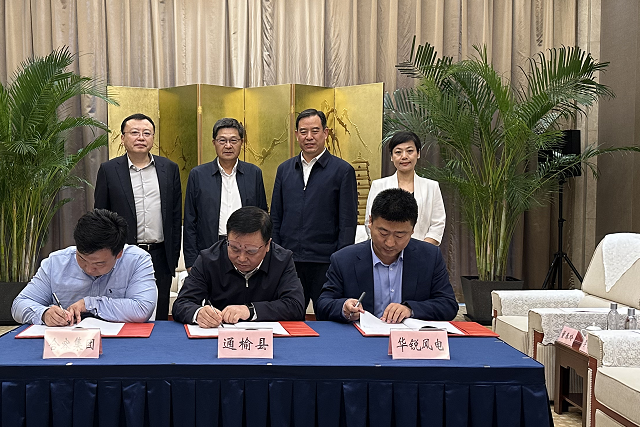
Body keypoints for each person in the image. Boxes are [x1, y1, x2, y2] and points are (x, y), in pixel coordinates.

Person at [316, 188, 458, 323]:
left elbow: (448, 305)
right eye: (383, 233)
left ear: (412, 230)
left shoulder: (429, 257)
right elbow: (323, 304)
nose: (390, 243)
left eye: (399, 235)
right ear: (370, 222)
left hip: (409, 337)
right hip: (361, 336)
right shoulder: (344, 259)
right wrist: (344, 307)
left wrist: (410, 309)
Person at [93, 113, 181, 320]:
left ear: (153, 138)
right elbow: (101, 216)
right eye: (134, 132)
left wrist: (173, 255)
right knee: (123, 312)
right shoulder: (109, 170)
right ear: (123, 138)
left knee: (159, 313)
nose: (141, 137)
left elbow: (176, 216)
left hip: (160, 254)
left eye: (146, 133)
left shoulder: (169, 168)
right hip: (122, 254)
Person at [270, 108, 358, 312]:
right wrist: (278, 255)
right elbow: (275, 216)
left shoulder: (342, 171)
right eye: (303, 131)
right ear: (296, 135)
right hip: (289, 261)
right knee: (288, 317)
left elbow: (347, 222)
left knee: (328, 317)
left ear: (325, 133)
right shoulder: (284, 169)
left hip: (326, 262)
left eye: (315, 131)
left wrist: (340, 260)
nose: (309, 137)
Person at [11, 209, 157, 324]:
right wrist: (44, 314)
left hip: (123, 343)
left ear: (118, 254)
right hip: (68, 345)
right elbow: (19, 304)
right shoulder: (56, 263)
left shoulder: (137, 260)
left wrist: (90, 304)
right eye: (81, 259)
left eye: (99, 264)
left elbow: (142, 308)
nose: (88, 269)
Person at [172, 206, 305, 327]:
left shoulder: (282, 260)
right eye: (234, 248)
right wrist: (198, 313)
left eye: (251, 251)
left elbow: (296, 306)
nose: (241, 258)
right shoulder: (209, 259)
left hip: (268, 340)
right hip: (220, 337)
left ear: (268, 245)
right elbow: (181, 304)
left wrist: (250, 310)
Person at [183, 118, 267, 269]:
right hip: (209, 249)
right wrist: (191, 262)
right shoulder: (198, 175)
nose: (228, 146)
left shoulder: (254, 173)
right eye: (222, 140)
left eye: (233, 140)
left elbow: (263, 216)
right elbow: (190, 221)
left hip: (246, 250)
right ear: (214, 142)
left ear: (242, 142)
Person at [364, 131, 445, 245]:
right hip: (387, 248)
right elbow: (371, 222)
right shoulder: (379, 186)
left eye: (410, 151)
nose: (404, 156)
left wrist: (422, 248)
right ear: (391, 157)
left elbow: (438, 224)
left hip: (421, 250)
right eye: (398, 152)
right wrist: (387, 245)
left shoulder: (432, 187)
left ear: (418, 153)